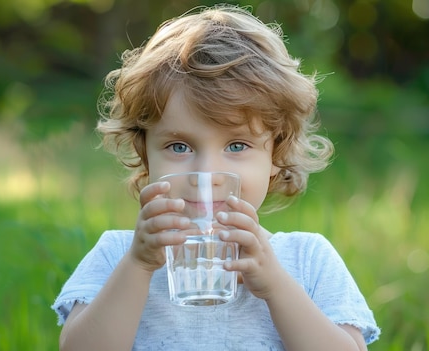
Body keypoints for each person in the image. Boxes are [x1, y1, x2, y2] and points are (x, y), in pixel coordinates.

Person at [52, 4, 380, 350]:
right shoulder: (118, 254)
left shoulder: (306, 258)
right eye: (179, 147)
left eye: (237, 145)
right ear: (146, 153)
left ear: (277, 155)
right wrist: (138, 265)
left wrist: (275, 284)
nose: (206, 174)